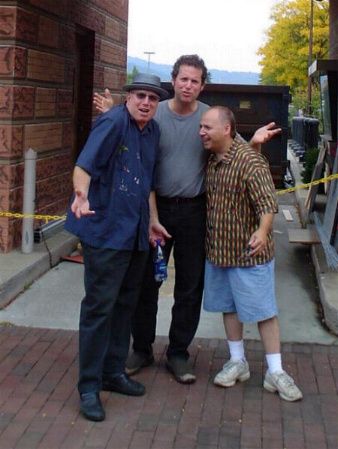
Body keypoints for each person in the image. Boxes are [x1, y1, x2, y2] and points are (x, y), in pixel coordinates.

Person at [94, 54, 281, 385]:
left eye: (195, 80)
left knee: (190, 287)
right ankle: (142, 348)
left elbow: (234, 151)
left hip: (196, 211)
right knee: (146, 283)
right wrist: (112, 112)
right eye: (183, 79)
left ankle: (179, 353)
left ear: (202, 85)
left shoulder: (210, 117)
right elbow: (129, 132)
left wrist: (254, 143)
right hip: (157, 210)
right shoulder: (156, 115)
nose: (188, 85)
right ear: (174, 80)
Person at [64, 73, 169, 421]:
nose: (146, 103)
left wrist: (152, 220)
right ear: (128, 97)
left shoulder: (152, 131)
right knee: (99, 309)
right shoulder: (111, 123)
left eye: (153, 99)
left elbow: (147, 183)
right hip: (105, 232)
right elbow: (84, 166)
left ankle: (113, 372)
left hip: (136, 233)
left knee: (125, 305)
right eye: (140, 95)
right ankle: (89, 387)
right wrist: (81, 193)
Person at [199, 106, 303, 402]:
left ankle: (275, 371)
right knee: (229, 307)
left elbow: (268, 204)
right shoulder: (212, 161)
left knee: (264, 311)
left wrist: (262, 231)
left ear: (227, 129)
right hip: (220, 251)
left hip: (249, 255)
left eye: (207, 127)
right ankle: (237, 361)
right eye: (201, 127)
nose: (202, 132)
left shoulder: (250, 162)